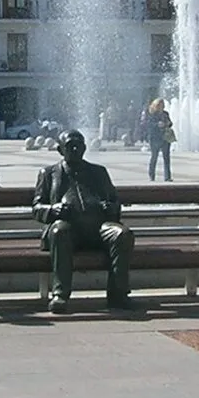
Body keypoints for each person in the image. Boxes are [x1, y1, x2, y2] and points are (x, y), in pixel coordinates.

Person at [31, 129, 134, 312]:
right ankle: (60, 295)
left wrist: (111, 208)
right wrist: (52, 210)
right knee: (59, 231)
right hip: (67, 230)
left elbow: (114, 201)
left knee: (122, 234)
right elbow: (37, 208)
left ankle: (118, 295)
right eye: (70, 146)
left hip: (97, 228)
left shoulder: (99, 172)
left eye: (80, 145)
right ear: (60, 150)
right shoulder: (48, 174)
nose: (76, 149)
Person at [144, 97, 175, 182]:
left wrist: (168, 123)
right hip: (155, 138)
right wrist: (157, 124)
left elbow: (170, 123)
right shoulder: (151, 114)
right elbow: (147, 124)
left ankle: (167, 177)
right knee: (154, 157)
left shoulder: (165, 113)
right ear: (156, 105)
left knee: (166, 158)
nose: (162, 106)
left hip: (165, 138)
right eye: (160, 104)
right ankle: (151, 175)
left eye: (163, 104)